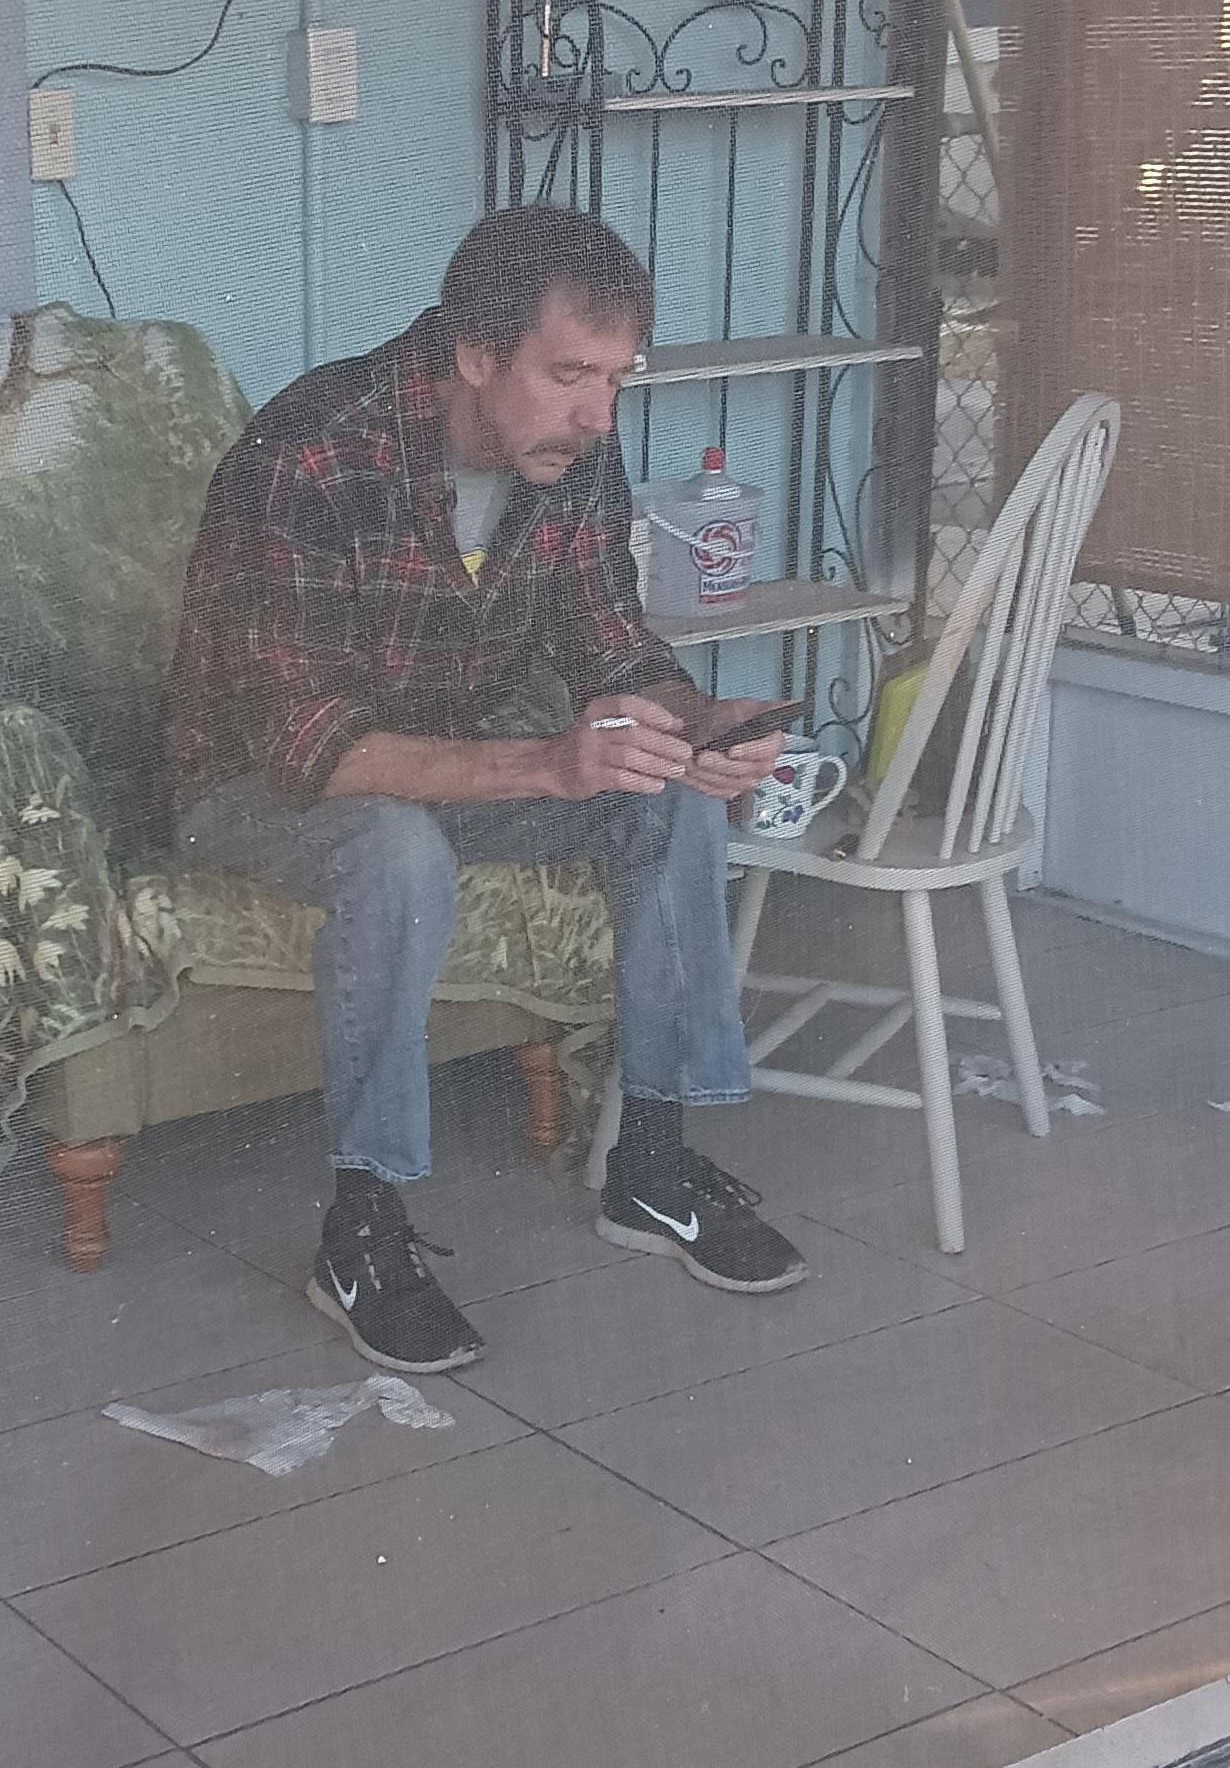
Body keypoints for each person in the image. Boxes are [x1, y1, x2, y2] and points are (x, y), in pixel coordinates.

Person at [166, 202, 815, 1372]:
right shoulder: (309, 452)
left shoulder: (571, 452)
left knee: (670, 796)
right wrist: (551, 763)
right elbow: (312, 746)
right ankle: (362, 1231)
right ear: (473, 352)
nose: (599, 412)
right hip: (255, 789)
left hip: (449, 764)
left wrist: (699, 723)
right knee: (395, 847)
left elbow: (609, 643)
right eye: (571, 374)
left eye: (618, 379)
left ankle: (653, 1170)